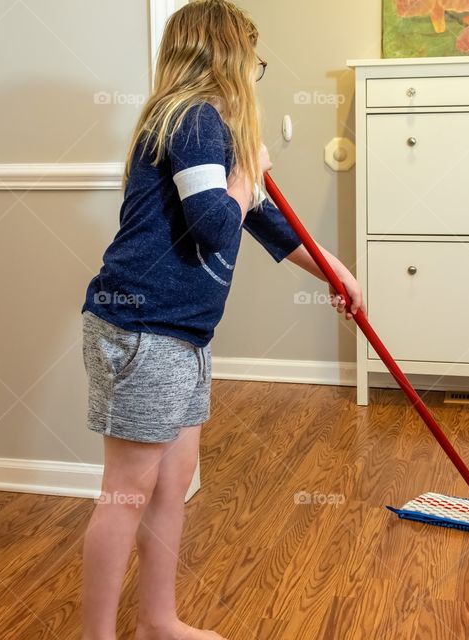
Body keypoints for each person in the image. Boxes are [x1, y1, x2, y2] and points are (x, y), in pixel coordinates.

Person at [79, 2, 362, 638]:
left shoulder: (211, 129)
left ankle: (157, 620)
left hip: (181, 333)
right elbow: (214, 223)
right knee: (127, 491)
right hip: (143, 329)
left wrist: (333, 269)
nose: (257, 74)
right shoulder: (194, 120)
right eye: (255, 61)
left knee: (172, 480)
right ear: (227, 56)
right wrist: (247, 173)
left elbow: (259, 220)